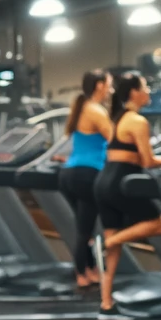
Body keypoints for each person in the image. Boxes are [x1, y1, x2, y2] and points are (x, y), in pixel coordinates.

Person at [94, 73, 161, 317]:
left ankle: (106, 303)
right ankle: (111, 242)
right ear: (134, 93)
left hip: (103, 180)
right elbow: (148, 162)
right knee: (159, 224)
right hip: (121, 182)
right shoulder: (137, 121)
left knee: (113, 251)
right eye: (145, 87)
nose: (149, 92)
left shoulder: (118, 119)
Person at [61, 70, 112, 289]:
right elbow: (116, 139)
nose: (112, 90)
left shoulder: (81, 108)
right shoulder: (96, 111)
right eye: (109, 85)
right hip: (87, 175)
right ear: (99, 85)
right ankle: (81, 274)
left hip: (69, 174)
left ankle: (89, 270)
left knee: (86, 228)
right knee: (85, 230)